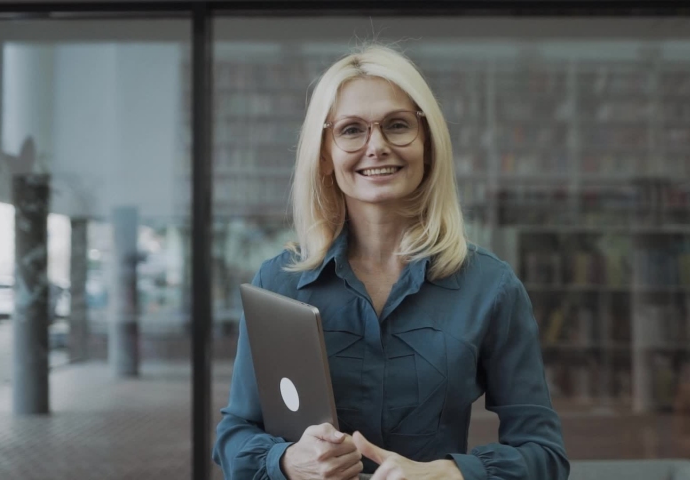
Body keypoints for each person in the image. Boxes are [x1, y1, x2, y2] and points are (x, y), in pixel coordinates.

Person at [213, 44, 569, 480]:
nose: (376, 147)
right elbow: (233, 435)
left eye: (397, 125)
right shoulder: (279, 282)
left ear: (428, 143)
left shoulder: (490, 286)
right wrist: (287, 461)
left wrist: (447, 475)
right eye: (351, 130)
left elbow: (545, 456)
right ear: (324, 154)